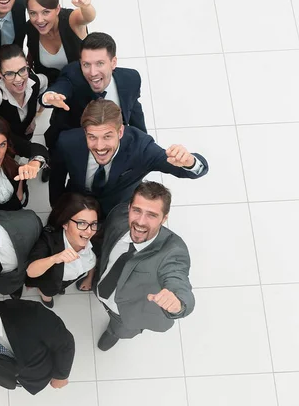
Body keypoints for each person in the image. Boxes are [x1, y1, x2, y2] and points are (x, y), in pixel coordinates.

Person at [50, 99, 209, 216]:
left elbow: (187, 171)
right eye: (92, 137)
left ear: (120, 132)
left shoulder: (141, 148)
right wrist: (58, 209)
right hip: (78, 202)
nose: (99, 146)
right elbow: (56, 178)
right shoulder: (67, 142)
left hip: (119, 208)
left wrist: (190, 162)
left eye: (107, 137)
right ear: (84, 133)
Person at [92, 182, 195, 351]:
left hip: (129, 312)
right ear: (129, 207)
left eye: (152, 215)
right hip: (101, 287)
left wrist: (179, 304)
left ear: (164, 218)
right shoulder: (118, 216)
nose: (140, 222)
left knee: (121, 329)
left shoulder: (173, 252)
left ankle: (113, 332)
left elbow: (178, 280)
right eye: (137, 210)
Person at [40, 32, 147, 152]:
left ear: (113, 63)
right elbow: (61, 86)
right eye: (86, 65)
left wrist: (144, 144)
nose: (92, 72)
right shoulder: (72, 74)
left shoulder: (131, 79)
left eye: (100, 63)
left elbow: (134, 109)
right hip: (75, 143)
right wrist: (49, 96)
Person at [26, 193, 100, 308]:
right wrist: (55, 258)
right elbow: (31, 271)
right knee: (49, 292)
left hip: (68, 280)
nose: (89, 231)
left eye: (93, 224)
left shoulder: (94, 239)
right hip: (50, 283)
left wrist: (89, 278)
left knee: (60, 287)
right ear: (65, 223)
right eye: (81, 223)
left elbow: (92, 260)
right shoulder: (49, 240)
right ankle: (46, 297)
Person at [26, 0, 96, 84]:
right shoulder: (30, 27)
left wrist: (86, 6)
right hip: (50, 92)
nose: (39, 20)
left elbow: (88, 17)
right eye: (33, 13)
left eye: (46, 12)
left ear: (57, 9)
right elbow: (31, 56)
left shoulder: (70, 20)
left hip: (82, 87)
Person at [0, 44, 47, 140]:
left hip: (28, 135)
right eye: (9, 73)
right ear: (0, 74)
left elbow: (45, 82)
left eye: (22, 70)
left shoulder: (35, 81)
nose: (18, 79)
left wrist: (36, 114)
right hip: (7, 144)